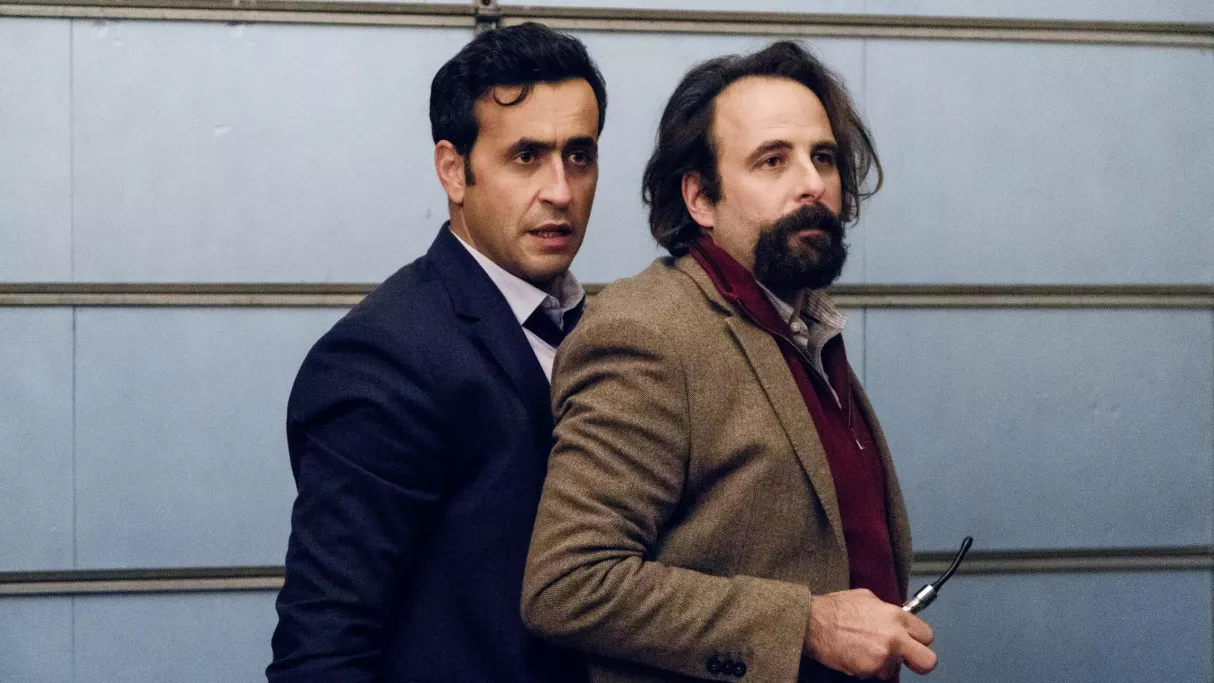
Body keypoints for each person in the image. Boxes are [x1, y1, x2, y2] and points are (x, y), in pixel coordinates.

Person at [521, 41, 935, 682]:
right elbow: (568, 583)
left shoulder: (802, 323)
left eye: (823, 157)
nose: (813, 183)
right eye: (773, 160)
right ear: (700, 199)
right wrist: (808, 626)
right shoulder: (648, 332)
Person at [268, 22, 606, 683]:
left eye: (579, 155)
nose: (561, 190)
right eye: (526, 156)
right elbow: (323, 653)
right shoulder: (384, 358)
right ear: (454, 170)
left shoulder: (592, 329)